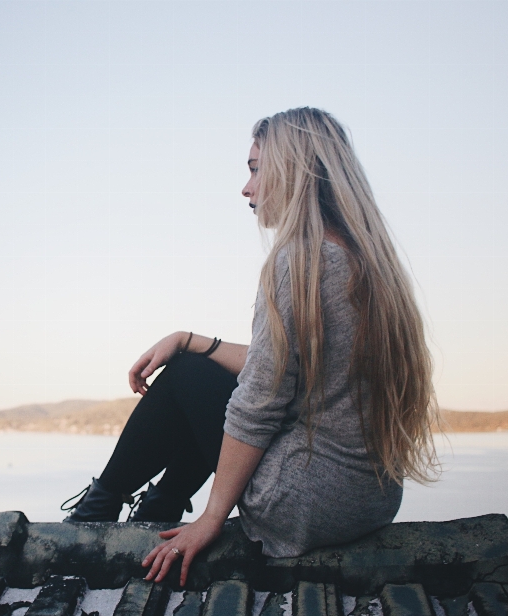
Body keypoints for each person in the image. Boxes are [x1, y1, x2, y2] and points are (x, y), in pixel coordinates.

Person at [59, 107, 440, 586]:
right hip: (370, 499)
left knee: (186, 377)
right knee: (196, 363)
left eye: (255, 168)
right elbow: (278, 366)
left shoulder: (298, 262)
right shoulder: (365, 258)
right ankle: (156, 507)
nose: (246, 187)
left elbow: (256, 405)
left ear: (292, 170)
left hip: (306, 501)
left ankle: (101, 511)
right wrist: (191, 340)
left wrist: (210, 521)